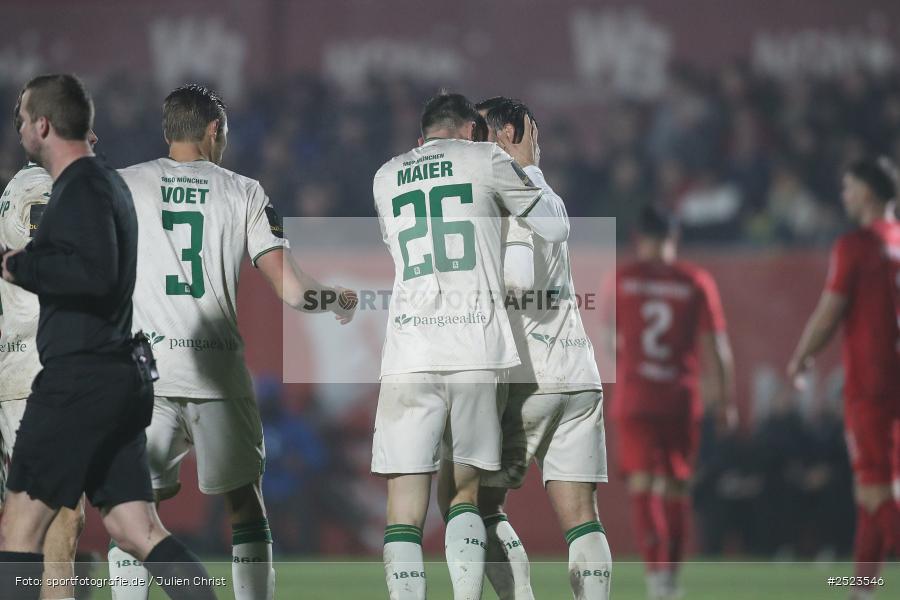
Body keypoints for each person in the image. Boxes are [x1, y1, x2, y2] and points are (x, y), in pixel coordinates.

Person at [107, 84, 357, 600]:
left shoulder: (123, 186)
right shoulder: (243, 190)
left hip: (144, 375)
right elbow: (291, 288)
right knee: (245, 505)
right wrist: (333, 299)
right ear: (214, 131)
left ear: (167, 130)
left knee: (133, 512)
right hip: (216, 374)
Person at [0, 74, 216, 600]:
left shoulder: (79, 188)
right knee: (136, 530)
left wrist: (21, 266)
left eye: (25, 118)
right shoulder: (108, 184)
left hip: (78, 376)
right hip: (118, 374)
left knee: (17, 530)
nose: (21, 128)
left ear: (43, 125)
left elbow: (91, 272)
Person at [372, 91, 567, 600]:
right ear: (468, 130)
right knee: (465, 495)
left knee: (404, 513)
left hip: (409, 351)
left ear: (424, 135)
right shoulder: (486, 159)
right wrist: (525, 167)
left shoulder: (386, 174)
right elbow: (553, 225)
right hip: (476, 347)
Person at [471, 97, 612, 600]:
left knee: (476, 509)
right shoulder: (547, 192)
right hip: (577, 372)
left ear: (505, 133)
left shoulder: (508, 192)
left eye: (477, 135)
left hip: (528, 377)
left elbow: (519, 280)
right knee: (581, 521)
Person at [787, 158, 900, 600]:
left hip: (871, 386)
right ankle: (862, 590)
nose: (844, 195)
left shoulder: (856, 245)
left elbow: (829, 312)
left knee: (875, 493)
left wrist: (801, 358)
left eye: (849, 187)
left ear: (869, 193)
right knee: (873, 491)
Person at [611, 204, 736, 600]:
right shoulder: (695, 280)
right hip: (680, 399)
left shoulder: (623, 279)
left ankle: (656, 581)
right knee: (678, 487)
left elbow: (608, 340)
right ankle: (673, 580)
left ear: (638, 239)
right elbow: (718, 346)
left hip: (635, 398)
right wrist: (727, 400)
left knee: (644, 487)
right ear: (674, 239)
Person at [0, 129, 98, 600]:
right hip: (39, 367)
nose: (94, 138)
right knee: (62, 510)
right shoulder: (41, 190)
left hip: (32, 367)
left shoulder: (26, 189)